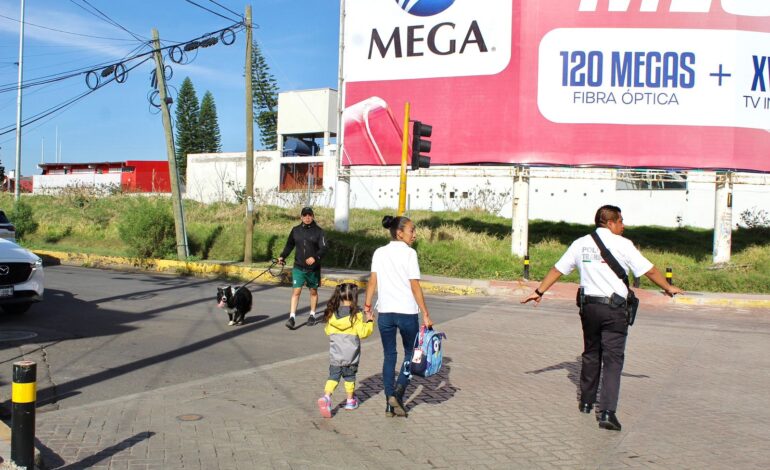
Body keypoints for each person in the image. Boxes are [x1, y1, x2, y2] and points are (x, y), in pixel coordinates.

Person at [521, 205, 683, 431]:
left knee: (591, 353)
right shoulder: (623, 244)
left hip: (589, 308)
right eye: (620, 221)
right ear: (610, 222)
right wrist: (668, 287)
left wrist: (539, 292)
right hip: (614, 309)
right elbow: (649, 270)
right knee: (613, 360)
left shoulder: (580, 243)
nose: (623, 226)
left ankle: (586, 403)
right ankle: (606, 412)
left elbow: (558, 269)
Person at [364, 215, 433, 418]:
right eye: (412, 230)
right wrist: (426, 314)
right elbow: (414, 286)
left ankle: (389, 404)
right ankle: (399, 391)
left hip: (385, 312)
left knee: (389, 356)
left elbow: (372, 282)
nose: (415, 234)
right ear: (399, 232)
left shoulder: (379, 252)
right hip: (407, 313)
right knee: (411, 355)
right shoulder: (410, 254)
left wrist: (367, 307)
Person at [317, 282, 374, 418]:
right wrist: (370, 321)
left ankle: (326, 397)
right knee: (350, 377)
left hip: (336, 355)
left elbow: (327, 331)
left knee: (333, 377)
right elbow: (363, 333)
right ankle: (350, 401)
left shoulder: (332, 314)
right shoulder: (356, 315)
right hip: (351, 356)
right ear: (354, 297)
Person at [278, 206, 328, 329]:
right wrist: (282, 256)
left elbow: (324, 248)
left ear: (313, 216)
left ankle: (312, 315)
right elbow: (289, 245)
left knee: (313, 291)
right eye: (305, 215)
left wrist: (315, 257)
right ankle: (292, 317)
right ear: (301, 217)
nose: (307, 217)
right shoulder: (295, 230)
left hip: (313, 268)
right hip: (298, 266)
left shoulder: (319, 231)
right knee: (296, 291)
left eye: (309, 215)